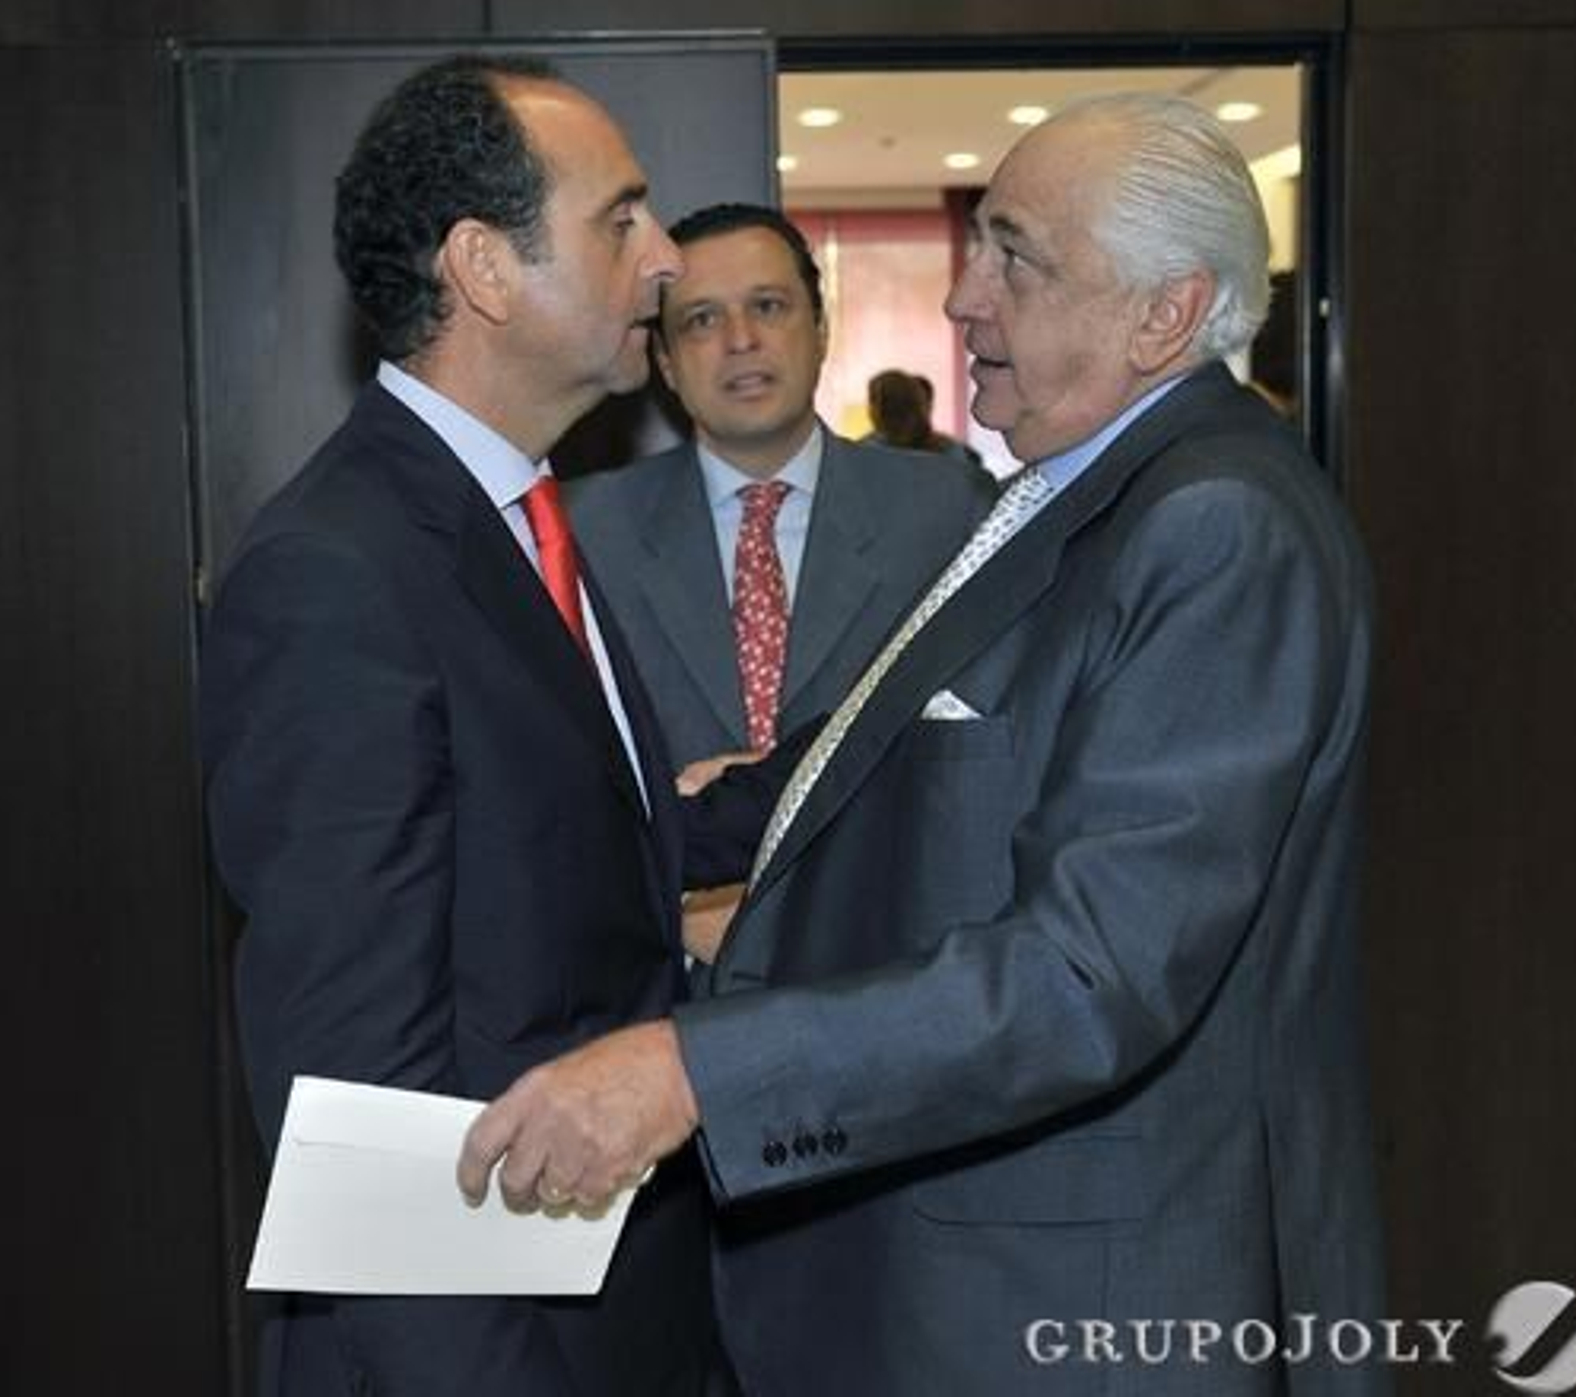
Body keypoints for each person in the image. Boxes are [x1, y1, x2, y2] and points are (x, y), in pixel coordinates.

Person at [458, 91, 1388, 1396]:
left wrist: (693, 1070)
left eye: (1015, 257)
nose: (961, 298)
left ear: (1165, 313)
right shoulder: (1075, 490)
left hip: (1090, 1306)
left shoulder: (1215, 525)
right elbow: (889, 750)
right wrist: (596, 840)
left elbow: (1087, 975)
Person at [200, 54, 768, 1397]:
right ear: (485, 268)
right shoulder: (337, 572)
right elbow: (362, 1105)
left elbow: (575, 845)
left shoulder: (518, 521)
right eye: (619, 220)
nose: (665, 258)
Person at [566, 203, 993, 771]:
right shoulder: (587, 532)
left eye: (767, 306)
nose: (741, 339)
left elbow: (990, 738)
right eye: (702, 320)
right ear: (666, 362)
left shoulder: (949, 514)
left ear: (820, 329)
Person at [864, 366, 984, 467]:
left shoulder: (950, 454)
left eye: (891, 404)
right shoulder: (864, 452)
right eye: (874, 401)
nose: (877, 411)